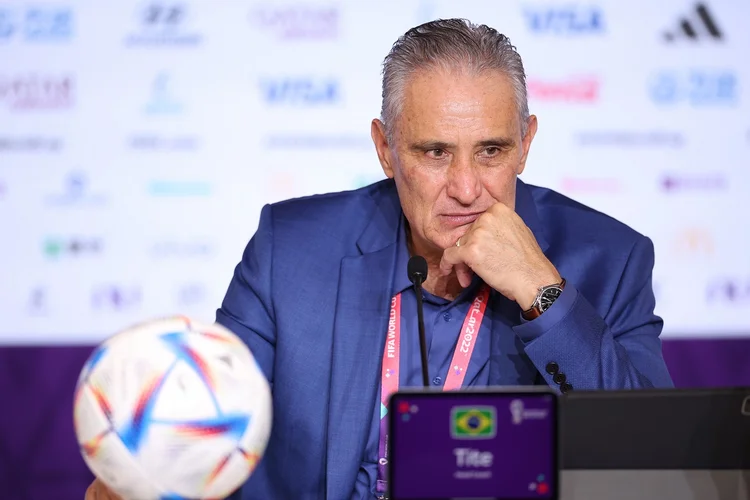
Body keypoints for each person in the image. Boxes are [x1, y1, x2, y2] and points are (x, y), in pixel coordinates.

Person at [85, 18, 673, 500]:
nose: (467, 188)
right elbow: (210, 421)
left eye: (491, 151)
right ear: (385, 149)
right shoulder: (289, 250)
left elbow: (654, 460)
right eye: (435, 152)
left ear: (526, 143)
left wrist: (542, 290)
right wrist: (156, 473)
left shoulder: (610, 258)